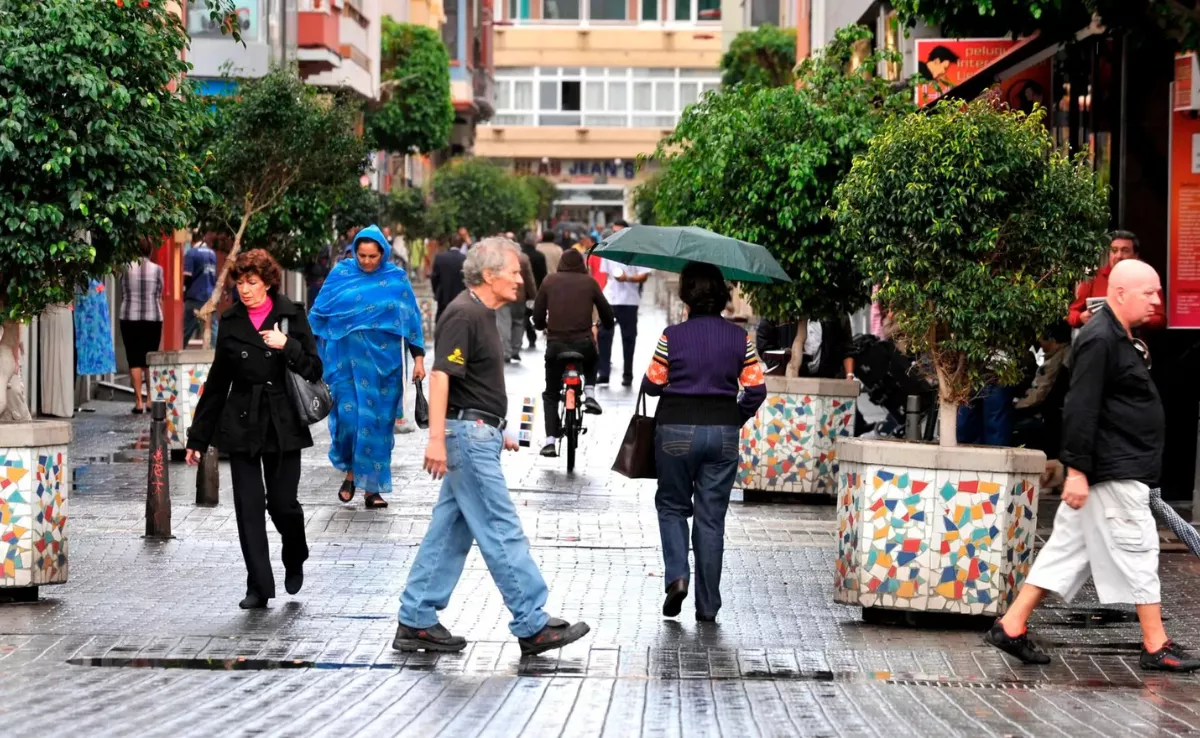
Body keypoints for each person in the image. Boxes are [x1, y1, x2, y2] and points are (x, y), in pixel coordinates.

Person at [985, 260, 1200, 672]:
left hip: (1111, 470)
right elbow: (1081, 408)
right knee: (1140, 550)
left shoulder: (1119, 336)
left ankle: (1010, 626)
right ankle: (1155, 644)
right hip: (1114, 471)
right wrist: (1078, 471)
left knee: (1064, 553)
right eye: (1149, 292)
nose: (1157, 300)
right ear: (1120, 293)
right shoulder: (1101, 339)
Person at [395, 237, 591, 656]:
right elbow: (441, 376)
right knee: (501, 529)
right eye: (514, 272)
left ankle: (416, 618)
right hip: (467, 438)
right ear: (488, 275)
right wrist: (436, 440)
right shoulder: (463, 313)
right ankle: (531, 622)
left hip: (476, 432)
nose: (521, 279)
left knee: (450, 530)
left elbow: (474, 383)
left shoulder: (482, 313)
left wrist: (498, 426)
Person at [185, 249, 323, 609]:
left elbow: (314, 369)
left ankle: (295, 552)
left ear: (267, 283)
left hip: (283, 421)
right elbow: (217, 383)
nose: (244, 289)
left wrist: (287, 345)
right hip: (242, 420)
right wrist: (197, 438)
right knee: (248, 508)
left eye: (252, 282)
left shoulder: (291, 315)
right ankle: (259, 586)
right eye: (240, 282)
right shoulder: (231, 321)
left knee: (282, 504)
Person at [643, 262, 767, 622]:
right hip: (723, 434)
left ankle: (677, 576)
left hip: (676, 430)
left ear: (686, 295)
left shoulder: (672, 336)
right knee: (711, 520)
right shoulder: (740, 339)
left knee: (672, 506)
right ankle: (708, 606)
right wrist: (735, 417)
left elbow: (652, 384)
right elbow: (756, 390)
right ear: (722, 296)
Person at [310, 225, 426, 510]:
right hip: (345, 365)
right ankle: (351, 471)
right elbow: (319, 312)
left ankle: (372, 489)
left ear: (383, 253)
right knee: (350, 421)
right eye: (361, 255)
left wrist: (419, 359)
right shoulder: (341, 274)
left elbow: (411, 320)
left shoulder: (396, 279)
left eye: (373, 256)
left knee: (376, 425)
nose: (367, 261)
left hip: (384, 368)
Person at [532, 249, 615, 457]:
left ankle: (550, 441)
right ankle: (590, 393)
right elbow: (606, 312)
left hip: (555, 345)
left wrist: (541, 325)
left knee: (551, 393)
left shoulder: (549, 281)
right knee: (593, 358)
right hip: (583, 344)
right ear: (581, 265)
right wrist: (606, 324)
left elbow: (538, 313)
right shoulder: (590, 282)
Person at [1068, 231, 1165, 330]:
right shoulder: (1094, 277)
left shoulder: (1147, 277)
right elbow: (1072, 314)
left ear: (1136, 255)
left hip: (1134, 337)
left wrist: (1137, 318)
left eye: (1125, 251)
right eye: (1114, 250)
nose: (1119, 256)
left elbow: (1160, 320)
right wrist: (1081, 318)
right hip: (1100, 336)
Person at [119, 242, 164, 414]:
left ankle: (138, 401)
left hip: (129, 316)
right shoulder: (158, 270)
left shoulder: (125, 268)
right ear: (150, 250)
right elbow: (159, 293)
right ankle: (150, 400)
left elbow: (123, 292)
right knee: (149, 359)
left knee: (134, 359)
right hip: (152, 317)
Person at [596, 257, 650, 387]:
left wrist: (627, 278)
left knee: (629, 338)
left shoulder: (637, 253)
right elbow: (605, 275)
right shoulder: (608, 252)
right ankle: (604, 373)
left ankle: (627, 374)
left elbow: (644, 275)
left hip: (629, 300)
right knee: (603, 335)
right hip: (610, 298)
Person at [496, 247, 537, 362]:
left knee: (504, 323)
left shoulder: (498, 258)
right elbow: (529, 279)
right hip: (519, 296)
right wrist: (533, 296)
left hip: (503, 295)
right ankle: (515, 349)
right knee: (518, 322)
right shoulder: (523, 258)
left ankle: (506, 351)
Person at [183, 233, 218, 347]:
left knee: (186, 327)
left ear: (192, 241)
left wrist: (184, 291)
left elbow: (187, 276)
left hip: (195, 295)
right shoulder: (212, 253)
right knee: (212, 326)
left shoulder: (192, 253)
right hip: (210, 296)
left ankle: (180, 348)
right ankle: (216, 351)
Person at [521, 232, 548, 350]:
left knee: (521, 315)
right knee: (530, 313)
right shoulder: (539, 256)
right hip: (535, 289)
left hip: (520, 289)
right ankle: (531, 337)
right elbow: (543, 275)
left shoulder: (519, 256)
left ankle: (520, 338)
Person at [431, 235, 468, 319]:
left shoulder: (440, 257)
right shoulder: (465, 259)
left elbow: (434, 278)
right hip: (460, 297)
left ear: (449, 243)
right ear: (461, 245)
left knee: (441, 318)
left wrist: (436, 292)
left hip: (443, 296)